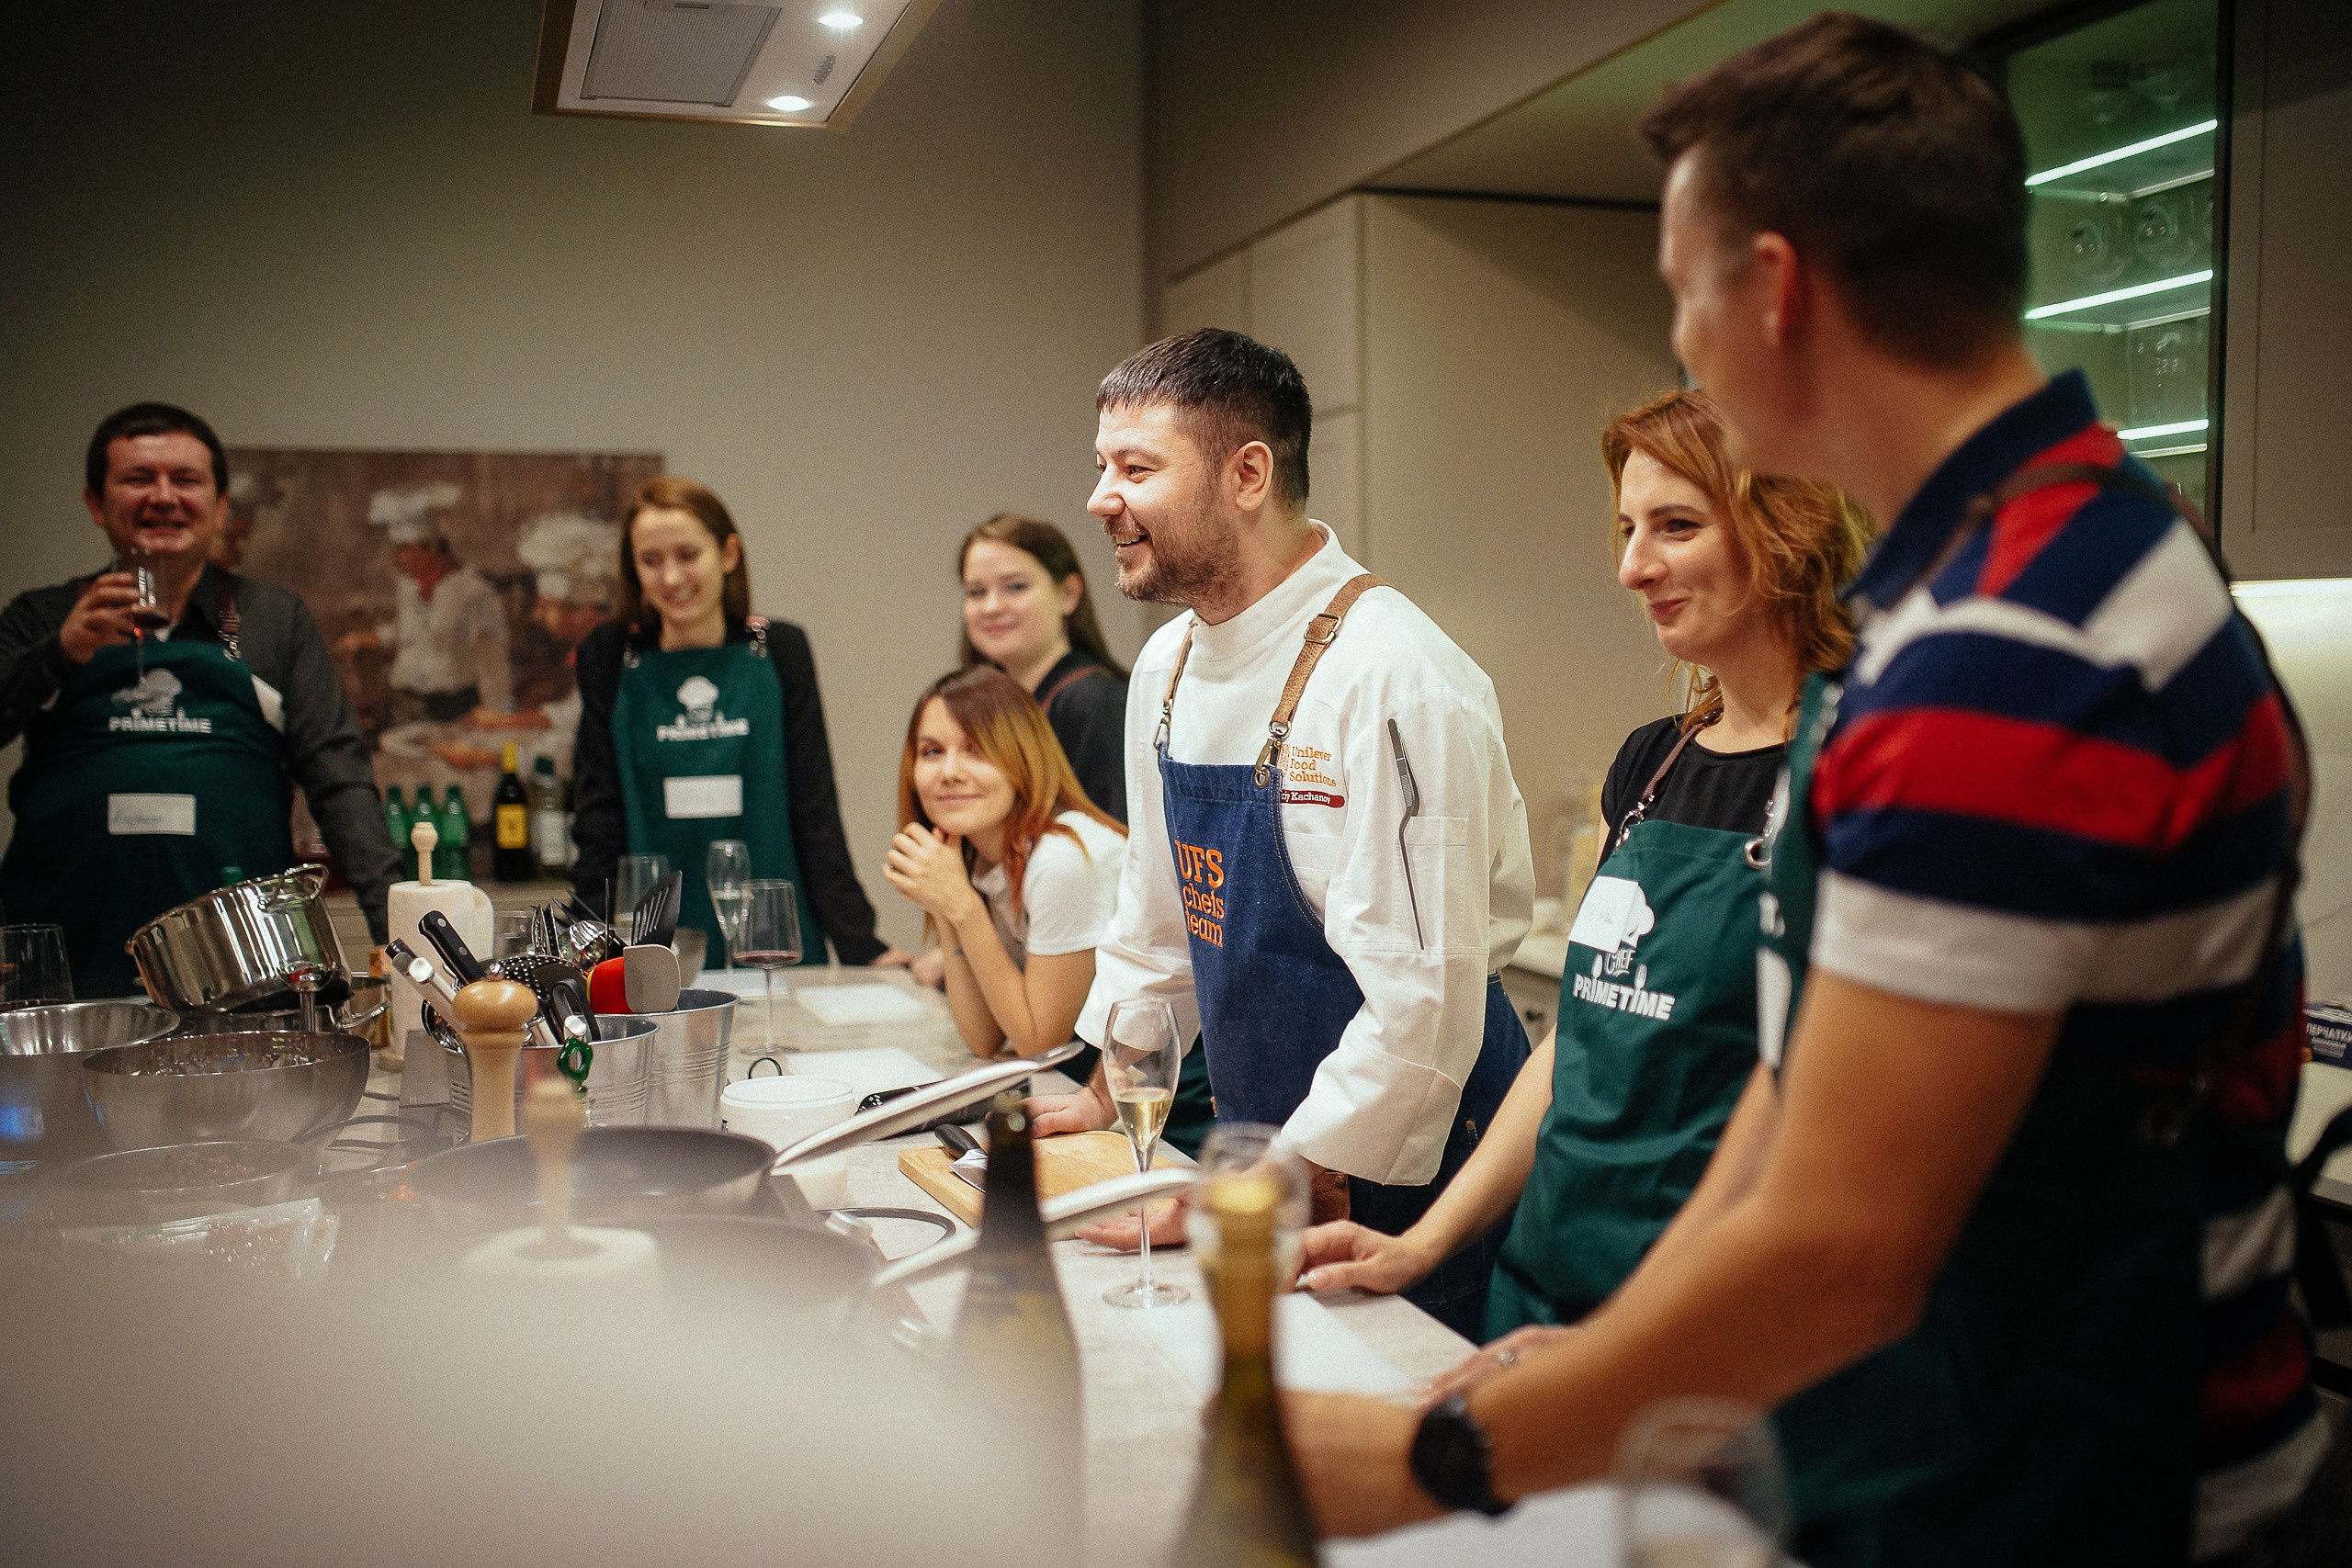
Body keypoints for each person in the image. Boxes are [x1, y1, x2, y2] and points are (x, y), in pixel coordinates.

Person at [1285, 17, 2324, 1566]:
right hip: (1968, 1444)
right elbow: (1804, 1089)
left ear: (1775, 290)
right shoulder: (2028, 565)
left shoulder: (2007, 652)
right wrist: (1612, 1353)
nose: (1684, 341)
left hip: (2076, 1488)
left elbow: (1842, 1246)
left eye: (1684, 293)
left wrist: (1442, 1459)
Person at [1294, 389, 1871, 1348]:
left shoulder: (1857, 770)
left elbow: (1830, 1124)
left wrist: (1639, 1335)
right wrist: (1425, 1244)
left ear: (1789, 528)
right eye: (1627, 529)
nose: (1634, 567)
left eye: (1676, 527)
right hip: (1542, 1280)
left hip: (1707, 1320)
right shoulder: (1655, 761)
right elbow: (1579, 1041)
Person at [1038, 328, 1536, 1339]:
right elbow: (1157, 930)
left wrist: (1277, 1181)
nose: (1099, 500)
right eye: (1102, 467)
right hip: (1263, 1148)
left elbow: (1422, 1005)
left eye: (1135, 468)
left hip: (1415, 1172)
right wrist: (1100, 1100)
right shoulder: (1167, 666)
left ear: (1247, 474)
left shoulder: (1394, 676)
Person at [0, 402, 401, 996]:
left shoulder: (272, 620)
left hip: (245, 970)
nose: (163, 496)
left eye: (185, 480)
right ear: (94, 502)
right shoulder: (42, 616)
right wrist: (59, 651)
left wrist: (403, 940)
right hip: (63, 970)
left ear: (219, 506)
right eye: (138, 478)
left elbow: (340, 780)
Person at [570, 477, 905, 966]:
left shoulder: (780, 649)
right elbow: (598, 817)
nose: (671, 578)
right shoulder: (608, 657)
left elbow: (815, 809)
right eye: (651, 560)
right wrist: (587, 941)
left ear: (728, 554)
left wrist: (861, 944)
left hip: (772, 935)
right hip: (651, 950)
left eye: (687, 555)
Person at [881, 666, 1135, 1077]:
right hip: (1089, 1085)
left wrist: (962, 906)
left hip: (1167, 1098)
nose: (949, 772)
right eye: (931, 751)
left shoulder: (1062, 859)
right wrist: (946, 906)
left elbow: (1038, 1043)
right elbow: (983, 1039)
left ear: (1022, 757)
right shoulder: (971, 852)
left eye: (976, 749)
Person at [956, 514, 1130, 824]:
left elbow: (1111, 850)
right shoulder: (979, 709)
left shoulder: (1095, 704)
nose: (992, 607)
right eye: (976, 592)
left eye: (1015, 587)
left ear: (1068, 594)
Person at [334, 481, 514, 726]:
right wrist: (369, 638)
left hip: (456, 706)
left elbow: (494, 655)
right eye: (397, 550)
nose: (399, 559)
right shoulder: (408, 587)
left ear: (430, 548)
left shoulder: (473, 592)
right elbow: (407, 632)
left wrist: (496, 712)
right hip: (407, 701)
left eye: (405, 550)